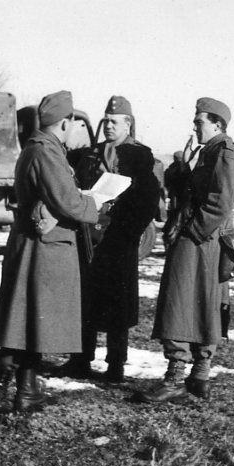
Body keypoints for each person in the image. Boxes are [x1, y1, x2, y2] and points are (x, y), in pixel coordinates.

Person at [0, 91, 100, 414]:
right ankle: (0, 390)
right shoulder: (47, 152)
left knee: (31, 319)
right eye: (75, 124)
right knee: (26, 318)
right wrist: (96, 204)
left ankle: (24, 390)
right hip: (43, 249)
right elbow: (69, 202)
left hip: (38, 246)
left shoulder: (39, 147)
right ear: (65, 123)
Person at [141, 97, 234, 404]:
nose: (195, 127)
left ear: (217, 125)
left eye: (200, 122)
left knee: (180, 302)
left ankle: (175, 380)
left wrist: (191, 232)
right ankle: (199, 377)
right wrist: (184, 165)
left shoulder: (224, 154)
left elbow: (220, 203)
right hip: (202, 240)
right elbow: (188, 189)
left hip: (200, 240)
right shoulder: (209, 152)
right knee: (202, 304)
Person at [63, 95, 159, 383]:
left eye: (114, 122)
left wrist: (127, 233)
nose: (108, 126)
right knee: (86, 301)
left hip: (119, 241)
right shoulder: (91, 153)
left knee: (118, 305)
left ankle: (115, 365)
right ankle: (80, 360)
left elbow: (147, 202)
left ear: (128, 124)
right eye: (105, 121)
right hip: (89, 238)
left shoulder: (140, 157)